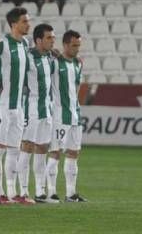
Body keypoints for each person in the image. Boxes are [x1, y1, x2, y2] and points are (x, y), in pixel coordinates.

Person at [0, 7, 31, 205]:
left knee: (15, 149)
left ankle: (14, 192)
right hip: (2, 105)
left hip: (18, 105)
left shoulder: (24, 43)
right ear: (14, 24)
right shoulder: (2, 45)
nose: (28, 24)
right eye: (24, 21)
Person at [47, 30, 86, 203]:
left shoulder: (78, 64)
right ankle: (51, 192)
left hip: (75, 114)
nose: (77, 49)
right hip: (59, 115)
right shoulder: (54, 63)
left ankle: (71, 193)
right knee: (54, 153)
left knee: (73, 153)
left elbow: (76, 89)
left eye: (78, 45)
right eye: (73, 45)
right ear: (64, 45)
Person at [20, 24, 55, 203]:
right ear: (39, 40)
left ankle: (40, 191)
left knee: (42, 148)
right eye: (49, 38)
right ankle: (23, 191)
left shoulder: (50, 57)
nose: (53, 40)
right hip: (31, 108)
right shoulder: (27, 57)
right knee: (26, 146)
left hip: (46, 109)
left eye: (53, 37)